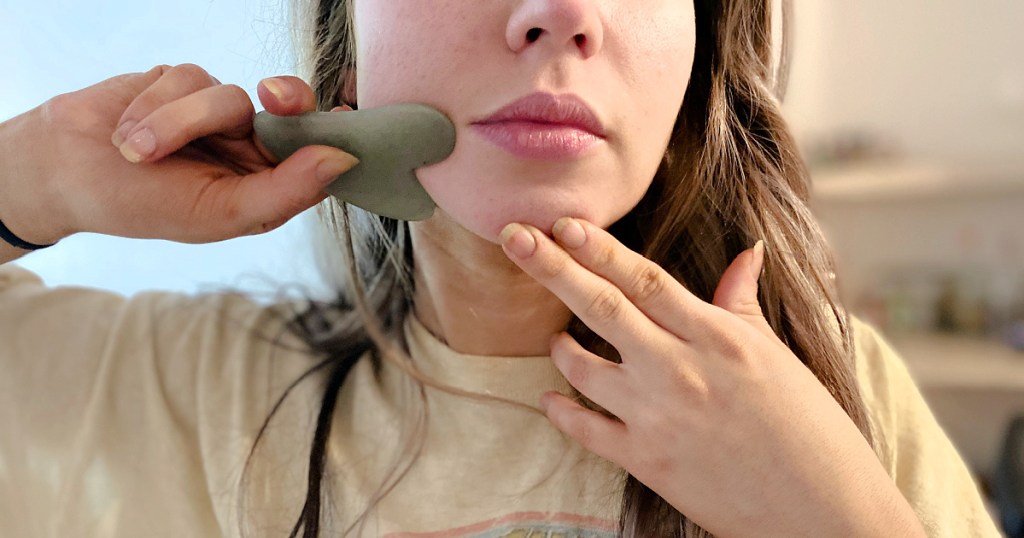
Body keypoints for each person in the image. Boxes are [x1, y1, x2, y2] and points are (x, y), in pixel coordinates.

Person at [0, 1, 1003, 537]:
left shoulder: (833, 399)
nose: (560, 13)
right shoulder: (195, 394)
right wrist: (32, 174)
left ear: (694, 70)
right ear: (350, 69)